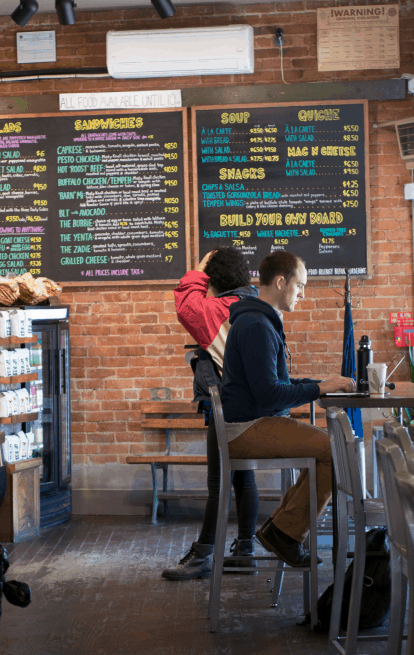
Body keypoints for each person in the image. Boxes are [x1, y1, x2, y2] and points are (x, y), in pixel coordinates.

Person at [220, 251, 355, 567]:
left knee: (333, 449)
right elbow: (269, 395)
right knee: (337, 450)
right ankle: (285, 533)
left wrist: (322, 383)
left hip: (254, 422)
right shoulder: (256, 325)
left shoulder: (258, 319)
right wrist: (320, 388)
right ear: (281, 282)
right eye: (300, 286)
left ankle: (281, 529)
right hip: (249, 427)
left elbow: (277, 383)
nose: (303, 294)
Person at [161, 248, 260, 581]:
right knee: (244, 478)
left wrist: (201, 268)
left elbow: (186, 305)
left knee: (219, 485)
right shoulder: (253, 305)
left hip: (228, 409)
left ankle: (202, 555)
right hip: (251, 408)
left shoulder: (219, 310)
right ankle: (245, 551)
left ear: (215, 281)